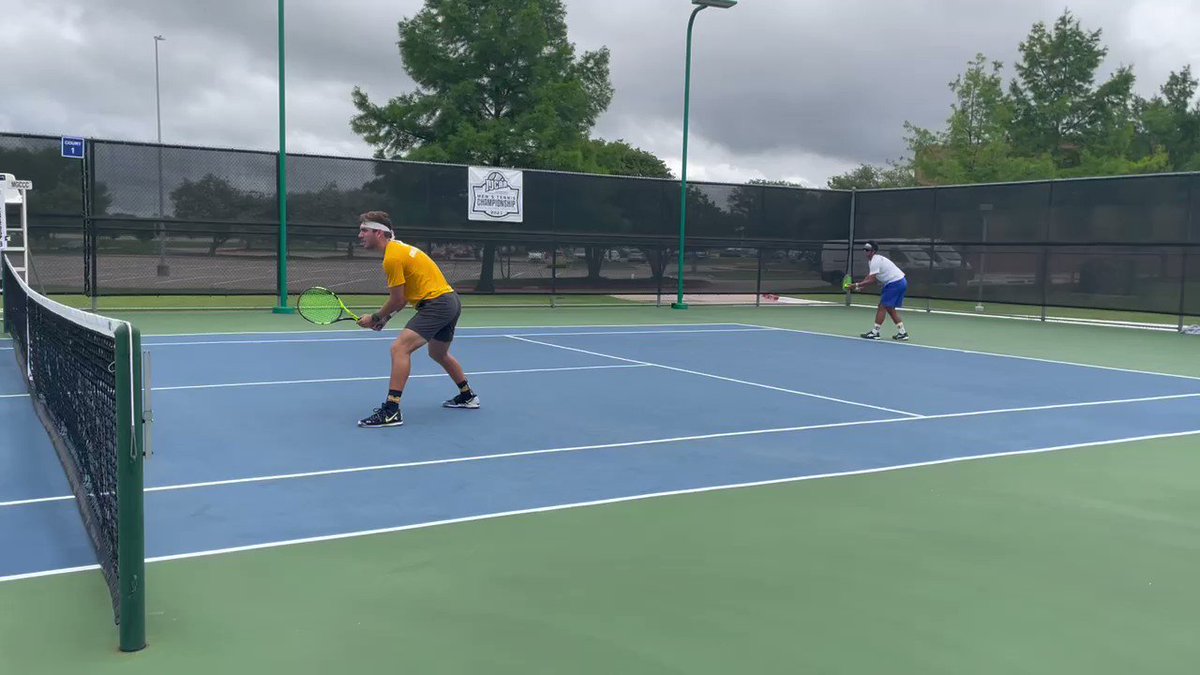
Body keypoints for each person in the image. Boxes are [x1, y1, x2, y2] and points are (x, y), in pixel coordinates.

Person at [353, 211, 480, 428]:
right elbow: (402, 300)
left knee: (399, 349)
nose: (360, 235)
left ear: (379, 232)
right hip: (450, 301)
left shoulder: (392, 258)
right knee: (438, 353)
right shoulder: (399, 249)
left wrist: (374, 317)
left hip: (437, 304)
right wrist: (384, 319)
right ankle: (468, 396)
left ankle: (391, 410)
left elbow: (397, 298)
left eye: (364, 230)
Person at [850, 241, 909, 341]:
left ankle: (875, 332)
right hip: (900, 282)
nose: (866, 252)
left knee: (882, 306)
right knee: (889, 308)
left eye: (868, 250)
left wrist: (856, 285)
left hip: (895, 283)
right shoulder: (872, 261)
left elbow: (872, 280)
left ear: (873, 251)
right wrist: (860, 287)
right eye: (865, 250)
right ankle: (902, 332)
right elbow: (870, 276)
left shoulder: (875, 260)